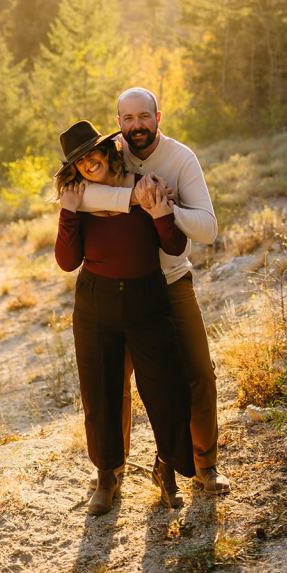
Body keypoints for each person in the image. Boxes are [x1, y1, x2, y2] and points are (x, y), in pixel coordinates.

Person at [75, 87, 230, 495]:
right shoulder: (110, 155)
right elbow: (77, 194)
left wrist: (162, 206)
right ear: (118, 124)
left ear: (158, 118)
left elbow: (208, 229)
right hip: (119, 289)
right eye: (128, 120)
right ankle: (114, 469)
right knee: (114, 381)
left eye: (144, 117)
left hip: (171, 281)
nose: (136, 126)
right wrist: (133, 196)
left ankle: (204, 464)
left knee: (198, 373)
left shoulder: (181, 159)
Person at [54, 119, 195, 516]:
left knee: (165, 388)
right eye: (79, 162)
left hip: (146, 297)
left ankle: (166, 469)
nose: (88, 164)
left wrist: (161, 213)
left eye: (92, 154)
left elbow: (174, 243)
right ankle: (107, 476)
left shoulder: (144, 183)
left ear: (109, 150)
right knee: (100, 394)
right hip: (95, 303)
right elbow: (67, 261)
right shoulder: (78, 198)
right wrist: (67, 213)